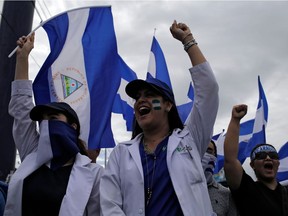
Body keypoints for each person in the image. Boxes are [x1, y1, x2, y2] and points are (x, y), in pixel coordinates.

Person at [100, 20, 219, 215]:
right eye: (138, 97)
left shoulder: (190, 140)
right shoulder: (121, 154)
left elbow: (209, 89)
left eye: (149, 95)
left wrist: (187, 40)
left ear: (167, 105)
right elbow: (109, 204)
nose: (141, 101)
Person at [4, 33, 104, 216]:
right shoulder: (32, 155)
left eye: (53, 118)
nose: (46, 124)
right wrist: (22, 57)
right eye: (43, 120)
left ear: (72, 127)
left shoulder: (94, 174)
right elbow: (21, 108)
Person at [224, 104, 288, 216]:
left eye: (273, 155)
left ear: (278, 163)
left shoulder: (285, 193)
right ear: (252, 165)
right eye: (261, 156)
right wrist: (235, 120)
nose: (268, 158)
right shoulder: (246, 189)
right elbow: (230, 159)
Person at [202, 140, 239, 216]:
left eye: (208, 151)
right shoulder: (176, 188)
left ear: (214, 157)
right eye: (201, 150)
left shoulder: (226, 194)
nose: (204, 154)